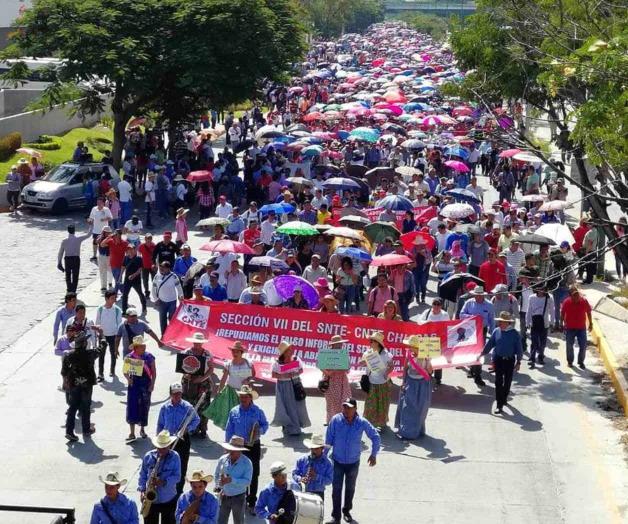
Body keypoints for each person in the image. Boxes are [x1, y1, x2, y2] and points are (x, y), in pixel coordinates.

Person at [325, 398, 380, 524]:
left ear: (355, 409)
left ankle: (347, 511)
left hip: (353, 463)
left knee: (350, 489)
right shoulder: (336, 420)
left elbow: (375, 436)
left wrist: (374, 454)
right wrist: (323, 458)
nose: (346, 410)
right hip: (337, 461)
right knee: (336, 490)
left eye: (349, 407)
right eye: (345, 407)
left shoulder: (362, 422)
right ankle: (336, 517)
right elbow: (328, 440)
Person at [225, 385, 269, 514]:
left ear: (250, 398)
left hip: (253, 445)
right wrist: (228, 446)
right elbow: (229, 429)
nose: (243, 399)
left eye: (245, 397)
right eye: (241, 397)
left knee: (254, 474)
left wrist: (259, 431)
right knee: (239, 473)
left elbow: (265, 424)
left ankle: (251, 502)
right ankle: (241, 499)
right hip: (237, 446)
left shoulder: (257, 411)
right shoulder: (234, 411)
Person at [157, 382, 200, 495]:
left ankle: (178, 491)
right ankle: (166, 488)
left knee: (181, 467)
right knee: (165, 465)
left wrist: (187, 429)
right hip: (167, 440)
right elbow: (160, 424)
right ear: (170, 394)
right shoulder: (165, 407)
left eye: (179, 394)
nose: (177, 396)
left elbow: (196, 420)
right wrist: (158, 440)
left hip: (182, 440)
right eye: (175, 394)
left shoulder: (187, 407)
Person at [480, 312, 523, 414]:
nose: (499, 323)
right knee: (498, 382)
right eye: (499, 321)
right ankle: (499, 405)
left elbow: (519, 349)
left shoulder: (514, 334)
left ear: (507, 322)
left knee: (507, 382)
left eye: (502, 322)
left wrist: (518, 362)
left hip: (509, 361)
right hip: (498, 360)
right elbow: (490, 344)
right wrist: (482, 353)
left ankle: (504, 398)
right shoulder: (496, 331)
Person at [206, 341, 254, 429]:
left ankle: (245, 431)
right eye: (233, 351)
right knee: (231, 414)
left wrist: (248, 380)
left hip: (244, 392)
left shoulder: (248, 363)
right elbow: (224, 378)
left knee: (246, 412)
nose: (234, 353)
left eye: (237, 351)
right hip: (231, 392)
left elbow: (253, 374)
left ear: (241, 353)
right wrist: (219, 390)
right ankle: (233, 431)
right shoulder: (228, 364)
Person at [61, 331, 99, 441]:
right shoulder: (90, 354)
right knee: (86, 407)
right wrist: (101, 336)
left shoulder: (69, 355)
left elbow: (64, 371)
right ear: (83, 344)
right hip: (87, 385)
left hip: (74, 384)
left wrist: (65, 382)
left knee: (73, 407)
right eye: (86, 341)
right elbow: (102, 348)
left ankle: (69, 431)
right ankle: (86, 430)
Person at [138, 430, 182, 524]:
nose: (161, 451)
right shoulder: (148, 456)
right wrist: (142, 491)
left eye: (164, 448)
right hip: (151, 501)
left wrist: (163, 482)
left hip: (168, 498)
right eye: (159, 448)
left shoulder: (175, 457)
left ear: (169, 446)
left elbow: (177, 477)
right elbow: (142, 475)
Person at [394, 335, 433, 440]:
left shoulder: (426, 356)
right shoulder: (409, 354)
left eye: (411, 346)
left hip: (422, 384)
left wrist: (428, 361)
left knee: (419, 409)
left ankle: (417, 431)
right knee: (407, 407)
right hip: (410, 382)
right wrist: (403, 381)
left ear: (417, 347)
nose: (409, 348)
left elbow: (430, 371)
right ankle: (406, 432)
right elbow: (405, 368)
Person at [271, 341, 311, 436]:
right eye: (288, 350)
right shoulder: (277, 363)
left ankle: (297, 425)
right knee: (287, 406)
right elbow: (273, 374)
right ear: (284, 352)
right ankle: (291, 427)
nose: (291, 351)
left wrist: (294, 373)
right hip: (284, 385)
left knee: (298, 405)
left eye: (291, 349)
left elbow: (301, 370)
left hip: (295, 384)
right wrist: (284, 375)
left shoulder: (296, 359)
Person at [459, 286, 494, 386]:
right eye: (476, 295)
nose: (477, 297)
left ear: (482, 295)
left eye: (479, 295)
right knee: (471, 350)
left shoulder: (489, 305)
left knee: (479, 352)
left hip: (482, 330)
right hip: (470, 330)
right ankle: (472, 368)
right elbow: (461, 314)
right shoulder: (469, 302)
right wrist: (473, 318)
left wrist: (492, 331)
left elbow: (491, 319)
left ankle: (478, 375)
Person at [181, 332, 214, 438]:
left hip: (203, 383)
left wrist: (202, 378)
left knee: (203, 407)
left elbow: (211, 369)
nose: (197, 344)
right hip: (189, 382)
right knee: (189, 406)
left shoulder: (207, 354)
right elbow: (182, 367)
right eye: (196, 342)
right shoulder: (187, 352)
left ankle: (203, 428)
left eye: (199, 343)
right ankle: (191, 428)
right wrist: (186, 375)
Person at [214, 436, 253, 524]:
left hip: (238, 497)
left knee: (238, 521)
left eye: (233, 450)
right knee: (221, 521)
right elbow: (216, 474)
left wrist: (232, 480)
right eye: (230, 449)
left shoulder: (247, 463)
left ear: (240, 450)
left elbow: (247, 482)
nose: (230, 451)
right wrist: (219, 484)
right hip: (223, 495)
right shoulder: (223, 459)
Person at [125, 335, 157, 441]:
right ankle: (132, 432)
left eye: (144, 345)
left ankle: (142, 429)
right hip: (134, 385)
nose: (144, 347)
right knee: (132, 406)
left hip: (145, 385)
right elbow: (125, 371)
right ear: (136, 347)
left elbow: (154, 372)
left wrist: (152, 384)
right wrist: (128, 379)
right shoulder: (130, 357)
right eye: (141, 346)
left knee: (144, 406)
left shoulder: (149, 357)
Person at [362, 331, 394, 430]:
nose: (370, 342)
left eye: (372, 341)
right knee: (370, 404)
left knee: (382, 404)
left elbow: (391, 366)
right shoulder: (367, 353)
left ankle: (381, 423)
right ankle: (369, 423)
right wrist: (364, 362)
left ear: (377, 343)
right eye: (370, 341)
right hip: (371, 382)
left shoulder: (386, 354)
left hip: (383, 383)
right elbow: (362, 363)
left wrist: (387, 372)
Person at [321, 335, 352, 424]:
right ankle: (331, 421)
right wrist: (327, 372)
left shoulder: (344, 354)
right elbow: (320, 365)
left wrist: (341, 367)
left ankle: (343, 420)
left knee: (344, 400)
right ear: (333, 345)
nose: (340, 345)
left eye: (341, 344)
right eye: (338, 344)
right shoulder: (327, 353)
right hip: (330, 379)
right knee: (331, 401)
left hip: (342, 380)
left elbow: (348, 369)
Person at [292, 434, 333, 500]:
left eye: (316, 449)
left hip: (318, 493)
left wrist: (316, 476)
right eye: (312, 448)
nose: (314, 451)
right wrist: (300, 479)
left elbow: (329, 480)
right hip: (303, 491)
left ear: (322, 448)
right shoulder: (302, 460)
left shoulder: (327, 463)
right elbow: (294, 473)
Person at [560, 286, 593, 369]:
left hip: (581, 328)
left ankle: (581, 361)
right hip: (570, 328)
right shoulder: (566, 302)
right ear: (570, 296)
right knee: (569, 345)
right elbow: (562, 313)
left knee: (583, 345)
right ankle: (570, 361)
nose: (577, 297)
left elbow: (588, 312)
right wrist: (561, 323)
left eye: (577, 295)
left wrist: (591, 323)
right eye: (574, 295)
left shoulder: (584, 301)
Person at [95, 290, 123, 380]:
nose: (114, 300)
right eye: (112, 298)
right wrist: (98, 334)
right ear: (106, 299)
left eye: (115, 298)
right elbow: (97, 322)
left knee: (113, 353)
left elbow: (119, 325)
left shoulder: (118, 310)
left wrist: (118, 337)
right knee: (101, 355)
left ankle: (112, 370)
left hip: (113, 335)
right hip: (103, 336)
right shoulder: (100, 309)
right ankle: (100, 373)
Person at [526, 285, 555, 368]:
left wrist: (552, 323)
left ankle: (540, 356)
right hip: (534, 323)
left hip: (544, 324)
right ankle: (532, 358)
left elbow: (552, 311)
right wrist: (527, 322)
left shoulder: (549, 298)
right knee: (534, 342)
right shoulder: (532, 297)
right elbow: (529, 310)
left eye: (543, 289)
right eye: (540, 289)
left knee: (542, 342)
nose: (541, 291)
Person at [57, 224, 92, 293]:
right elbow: (88, 235)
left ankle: (69, 289)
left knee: (68, 275)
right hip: (76, 259)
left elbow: (60, 253)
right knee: (75, 275)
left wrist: (59, 262)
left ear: (68, 231)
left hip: (67, 259)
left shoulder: (64, 241)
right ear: (74, 231)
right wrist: (91, 226)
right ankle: (73, 290)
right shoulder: (78, 239)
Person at [152, 261, 184, 336]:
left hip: (172, 301)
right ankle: (164, 335)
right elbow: (153, 289)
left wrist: (181, 296)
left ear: (168, 268)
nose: (161, 268)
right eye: (161, 266)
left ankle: (172, 335)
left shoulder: (174, 276)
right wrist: (156, 299)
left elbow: (179, 287)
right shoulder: (157, 276)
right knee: (162, 319)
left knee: (172, 319)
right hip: (161, 302)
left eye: (164, 267)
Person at [121, 244, 147, 314]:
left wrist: (133, 275)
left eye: (131, 249)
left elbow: (140, 269)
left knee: (140, 293)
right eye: (128, 249)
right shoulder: (126, 258)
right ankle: (124, 311)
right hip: (127, 279)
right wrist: (120, 276)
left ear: (135, 249)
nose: (130, 250)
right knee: (125, 295)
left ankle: (144, 307)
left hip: (136, 280)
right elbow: (123, 267)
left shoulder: (139, 258)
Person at [88, 197, 113, 261]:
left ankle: (106, 255)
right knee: (95, 242)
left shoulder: (106, 209)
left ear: (103, 203)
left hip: (105, 230)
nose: (98, 204)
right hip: (96, 230)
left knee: (105, 243)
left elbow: (111, 218)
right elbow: (91, 217)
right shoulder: (94, 209)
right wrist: (90, 220)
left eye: (100, 203)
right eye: (97, 202)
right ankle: (94, 255)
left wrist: (104, 219)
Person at [139, 233, 157, 298]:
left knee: (154, 280)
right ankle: (147, 292)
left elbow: (156, 255)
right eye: (147, 238)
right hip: (144, 266)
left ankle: (155, 292)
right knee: (145, 280)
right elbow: (139, 254)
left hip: (152, 266)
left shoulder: (154, 245)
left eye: (150, 238)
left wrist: (156, 264)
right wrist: (139, 264)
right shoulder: (141, 246)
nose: (149, 240)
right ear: (145, 239)